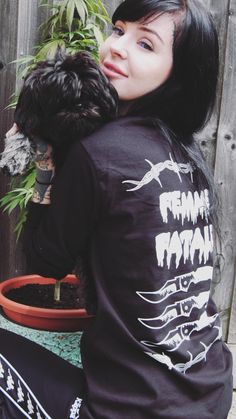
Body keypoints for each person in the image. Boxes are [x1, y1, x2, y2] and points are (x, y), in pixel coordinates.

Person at [0, 0, 233, 418]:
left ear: (179, 71)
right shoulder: (187, 153)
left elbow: (44, 260)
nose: (118, 48)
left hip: (131, 409)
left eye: (146, 44)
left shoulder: (99, 153)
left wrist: (46, 163)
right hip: (209, 392)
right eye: (119, 29)